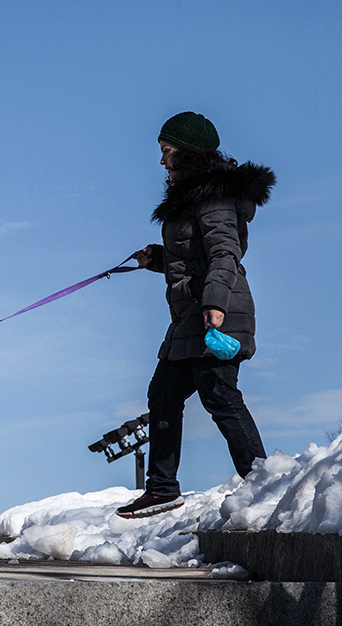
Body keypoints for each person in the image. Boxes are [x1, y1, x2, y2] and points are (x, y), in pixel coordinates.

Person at [116, 112, 275, 519]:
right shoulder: (192, 195)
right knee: (163, 395)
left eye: (167, 152)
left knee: (219, 395)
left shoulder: (213, 195)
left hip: (220, 312)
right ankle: (162, 489)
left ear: (186, 154)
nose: (162, 160)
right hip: (191, 317)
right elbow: (195, 255)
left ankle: (264, 485)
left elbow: (225, 252)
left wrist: (215, 304)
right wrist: (159, 259)